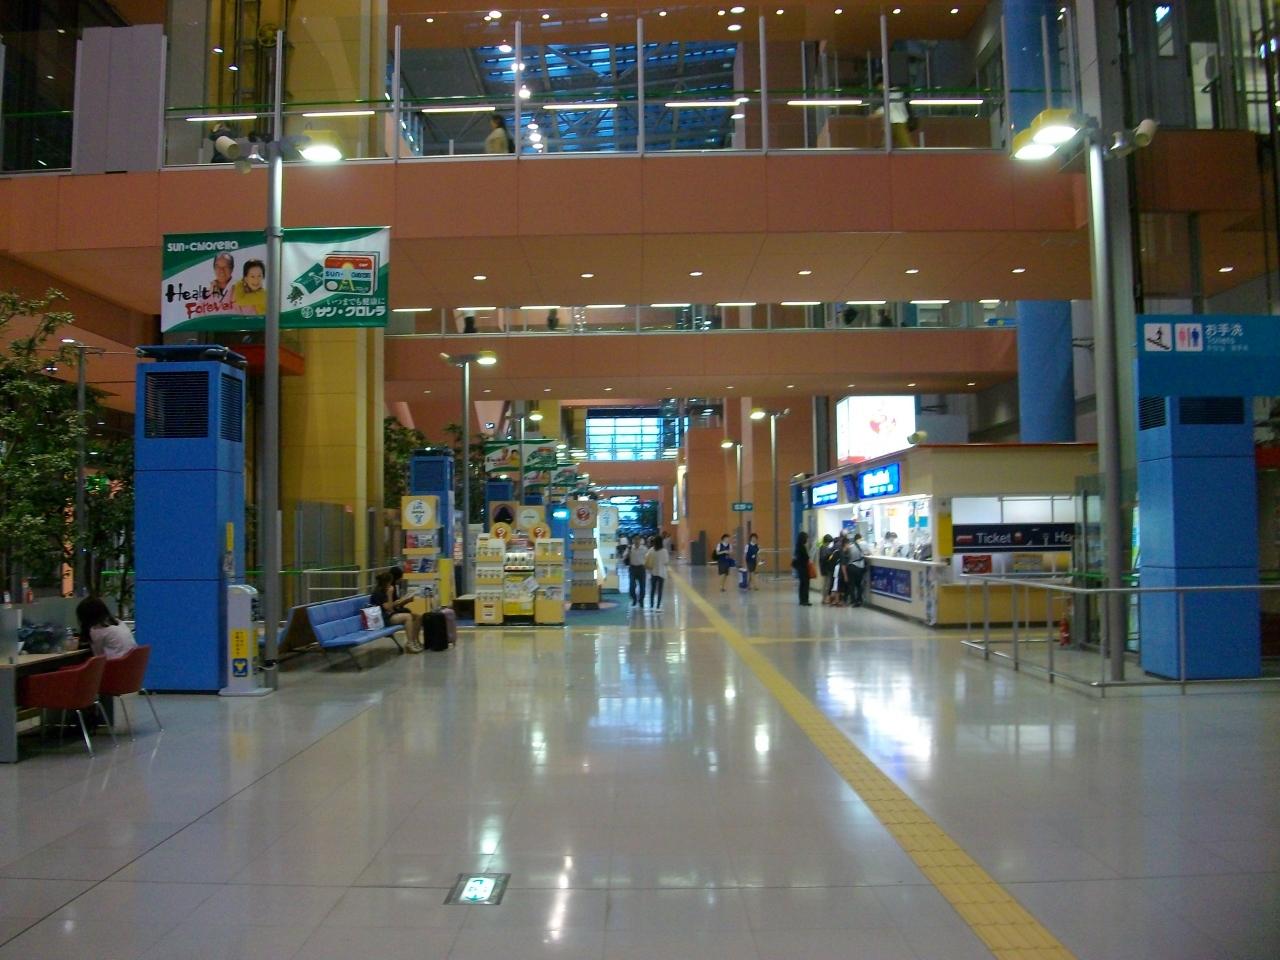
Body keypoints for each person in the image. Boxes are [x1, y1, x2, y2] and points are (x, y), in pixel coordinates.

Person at [371, 570, 422, 653]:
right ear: (386, 583)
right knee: (408, 617)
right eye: (389, 583)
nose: (390, 585)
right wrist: (390, 594)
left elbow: (389, 608)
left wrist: (397, 602)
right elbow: (389, 608)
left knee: (414, 616)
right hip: (382, 619)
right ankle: (410, 644)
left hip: (387, 616)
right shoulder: (379, 593)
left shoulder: (382, 591)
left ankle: (413, 642)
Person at [646, 534, 669, 610]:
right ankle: (658, 606)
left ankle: (651, 605)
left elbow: (647, 558)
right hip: (662, 573)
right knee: (660, 590)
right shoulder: (664, 551)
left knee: (652, 589)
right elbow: (666, 562)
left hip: (653, 572)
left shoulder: (651, 550)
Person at [626, 535, 648, 607]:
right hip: (632, 568)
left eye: (638, 539)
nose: (636, 541)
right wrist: (628, 553)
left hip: (641, 568)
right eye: (635, 539)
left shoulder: (644, 549)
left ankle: (641, 601)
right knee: (632, 586)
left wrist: (646, 565)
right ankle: (634, 599)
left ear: (640, 540)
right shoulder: (630, 548)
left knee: (642, 586)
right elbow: (624, 557)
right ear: (633, 540)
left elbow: (648, 557)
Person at [792, 532, 812, 606]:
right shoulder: (802, 547)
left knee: (802, 584)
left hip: (800, 568)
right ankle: (805, 600)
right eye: (806, 538)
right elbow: (806, 557)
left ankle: (802, 600)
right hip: (804, 568)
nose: (807, 539)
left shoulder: (797, 546)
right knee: (805, 584)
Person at [849, 533, 868, 607]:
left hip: (852, 567)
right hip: (859, 567)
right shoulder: (864, 544)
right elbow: (869, 553)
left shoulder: (851, 546)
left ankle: (853, 601)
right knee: (859, 585)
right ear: (860, 538)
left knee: (852, 585)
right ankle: (859, 600)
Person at [818, 534, 837, 604]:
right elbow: (824, 558)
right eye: (829, 542)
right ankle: (824, 599)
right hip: (825, 568)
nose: (829, 544)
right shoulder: (823, 548)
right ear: (826, 541)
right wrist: (830, 556)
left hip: (825, 568)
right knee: (826, 585)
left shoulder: (825, 547)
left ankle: (824, 598)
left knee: (827, 584)